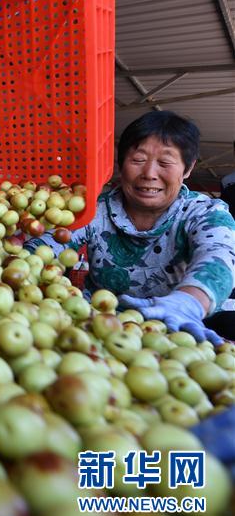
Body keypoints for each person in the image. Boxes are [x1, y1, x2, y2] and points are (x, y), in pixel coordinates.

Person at [29, 111, 235, 344]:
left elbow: (219, 256)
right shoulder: (94, 210)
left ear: (187, 169)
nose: (149, 174)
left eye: (165, 163)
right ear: (120, 163)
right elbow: (47, 245)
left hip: (179, 328)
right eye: (138, 160)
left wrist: (189, 302)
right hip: (100, 328)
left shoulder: (204, 213)